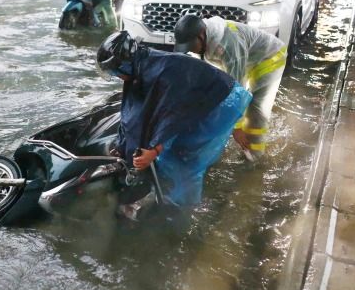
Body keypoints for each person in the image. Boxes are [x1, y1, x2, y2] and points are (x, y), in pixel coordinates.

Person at [97, 31, 251, 207]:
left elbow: (173, 114)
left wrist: (154, 150)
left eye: (115, 71)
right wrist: (122, 145)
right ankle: (172, 192)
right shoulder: (139, 67)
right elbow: (135, 114)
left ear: (124, 65)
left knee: (184, 158)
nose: (116, 76)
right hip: (195, 96)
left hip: (221, 100)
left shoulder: (164, 72)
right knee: (170, 151)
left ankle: (181, 211)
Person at [173, 14, 286, 161]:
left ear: (202, 36)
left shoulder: (229, 46)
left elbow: (236, 90)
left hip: (269, 58)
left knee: (255, 108)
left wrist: (236, 128)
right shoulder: (204, 41)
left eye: (191, 46)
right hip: (247, 59)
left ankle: (255, 159)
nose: (191, 50)